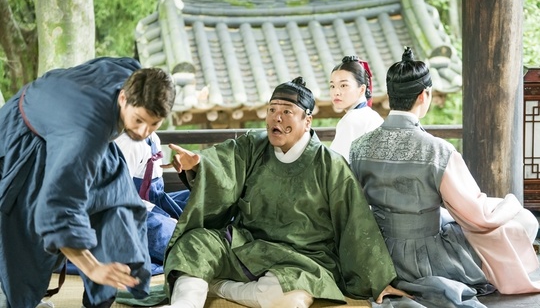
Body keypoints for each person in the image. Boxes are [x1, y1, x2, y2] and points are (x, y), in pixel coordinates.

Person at [159, 77, 411, 308]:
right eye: (272, 111)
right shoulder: (253, 146)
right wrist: (198, 165)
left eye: (287, 112)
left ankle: (218, 286)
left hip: (303, 258)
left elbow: (355, 222)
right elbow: (221, 164)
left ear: (307, 120)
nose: (276, 118)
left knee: (290, 298)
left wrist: (377, 280)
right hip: (247, 244)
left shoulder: (330, 165)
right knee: (193, 245)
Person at [349, 47, 540, 307]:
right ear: (423, 95)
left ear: (391, 96)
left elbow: (355, 209)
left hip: (378, 255)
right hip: (426, 258)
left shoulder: (359, 146)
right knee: (523, 220)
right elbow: (476, 214)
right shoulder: (437, 150)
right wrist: (510, 203)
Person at [0, 57, 176, 308]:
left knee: (121, 207)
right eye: (138, 120)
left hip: (76, 123)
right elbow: (56, 211)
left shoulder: (136, 75)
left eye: (154, 124)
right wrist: (92, 268)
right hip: (29, 135)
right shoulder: (85, 135)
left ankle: (103, 296)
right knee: (26, 239)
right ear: (123, 98)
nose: (143, 132)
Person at [115, 131, 190, 275]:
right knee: (169, 235)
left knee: (199, 198)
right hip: (123, 212)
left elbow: (156, 194)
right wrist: (164, 217)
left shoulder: (152, 137)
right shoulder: (126, 143)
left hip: (153, 202)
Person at [329, 55, 383, 161]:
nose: (336, 92)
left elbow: (335, 165)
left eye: (344, 85)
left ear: (362, 89)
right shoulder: (373, 115)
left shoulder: (351, 120)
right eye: (332, 86)